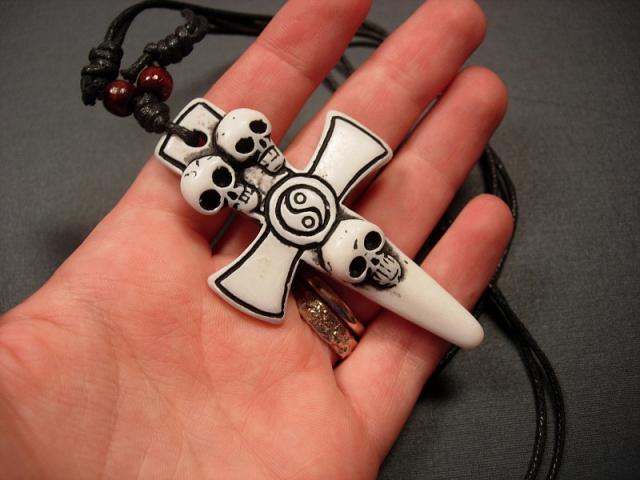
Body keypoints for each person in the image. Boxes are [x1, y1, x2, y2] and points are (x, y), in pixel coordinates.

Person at [0, 0, 512, 477]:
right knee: (346, 249)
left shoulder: (314, 169)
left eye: (251, 142)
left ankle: (351, 245)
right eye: (219, 189)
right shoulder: (234, 193)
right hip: (299, 222)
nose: (381, 268)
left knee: (353, 247)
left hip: (321, 217)